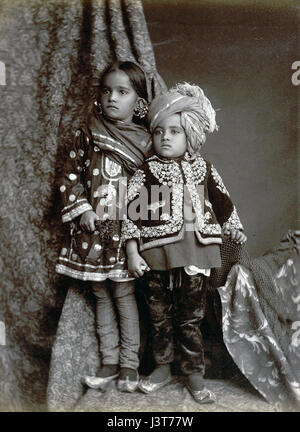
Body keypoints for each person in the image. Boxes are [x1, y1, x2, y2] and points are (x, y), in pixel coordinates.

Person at [122, 82, 247, 404]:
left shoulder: (204, 168)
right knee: (158, 315)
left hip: (196, 250)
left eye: (174, 131)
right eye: (160, 131)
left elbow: (223, 202)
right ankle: (162, 368)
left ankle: (193, 373)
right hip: (155, 254)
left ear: (189, 134)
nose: (165, 137)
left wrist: (233, 228)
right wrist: (133, 252)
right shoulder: (146, 172)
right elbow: (129, 213)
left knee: (190, 315)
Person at [56, 61, 151, 393]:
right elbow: (70, 175)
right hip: (92, 231)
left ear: (139, 103)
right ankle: (109, 361)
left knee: (125, 296)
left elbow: (150, 192)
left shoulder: (147, 143)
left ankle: (129, 365)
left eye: (122, 92)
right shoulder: (87, 132)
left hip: (125, 235)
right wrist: (81, 207)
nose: (112, 98)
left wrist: (135, 232)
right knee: (101, 296)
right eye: (107, 90)